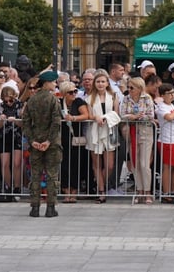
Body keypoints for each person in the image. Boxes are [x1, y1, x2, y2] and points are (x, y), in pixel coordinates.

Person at [22, 70, 63, 217]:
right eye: (53, 82)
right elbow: (56, 122)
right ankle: (51, 208)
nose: (55, 84)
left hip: (35, 142)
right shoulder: (53, 100)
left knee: (35, 175)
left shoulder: (31, 100)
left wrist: (32, 140)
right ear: (47, 83)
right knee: (52, 175)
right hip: (51, 143)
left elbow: (25, 122)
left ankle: (35, 207)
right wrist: (49, 140)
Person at [86, 69, 121, 202]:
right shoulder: (89, 98)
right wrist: (96, 117)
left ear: (107, 83)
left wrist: (105, 117)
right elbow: (89, 115)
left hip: (109, 131)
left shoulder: (113, 96)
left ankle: (102, 184)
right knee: (96, 164)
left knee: (109, 165)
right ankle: (101, 190)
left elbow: (117, 113)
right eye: (98, 81)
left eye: (103, 81)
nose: (100, 84)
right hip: (95, 131)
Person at [120, 76, 155, 204]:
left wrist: (136, 117)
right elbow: (122, 114)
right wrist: (133, 117)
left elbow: (151, 115)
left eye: (132, 88)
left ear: (140, 88)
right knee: (135, 164)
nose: (129, 90)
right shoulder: (126, 98)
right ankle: (139, 190)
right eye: (128, 87)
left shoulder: (147, 98)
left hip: (145, 132)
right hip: (131, 133)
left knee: (144, 164)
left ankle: (147, 192)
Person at [58, 81, 90, 203]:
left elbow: (86, 115)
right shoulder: (59, 103)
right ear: (64, 93)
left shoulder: (79, 102)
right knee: (64, 165)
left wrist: (73, 118)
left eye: (75, 91)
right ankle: (66, 191)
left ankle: (74, 191)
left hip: (76, 137)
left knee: (76, 164)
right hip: (62, 137)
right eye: (70, 92)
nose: (74, 94)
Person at [156, 83, 174, 204]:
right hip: (166, 139)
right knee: (167, 166)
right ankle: (166, 192)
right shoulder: (161, 106)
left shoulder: (171, 105)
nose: (172, 95)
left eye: (173, 93)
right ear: (163, 95)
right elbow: (169, 117)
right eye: (169, 93)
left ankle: (173, 190)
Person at [0, 85, 24, 199]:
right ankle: (8, 187)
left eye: (10, 100)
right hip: (4, 136)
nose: (8, 102)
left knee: (17, 163)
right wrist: (1, 120)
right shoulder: (0, 107)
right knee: (4, 164)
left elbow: (23, 123)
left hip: (17, 136)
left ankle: (17, 188)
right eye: (5, 100)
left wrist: (15, 120)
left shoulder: (19, 105)